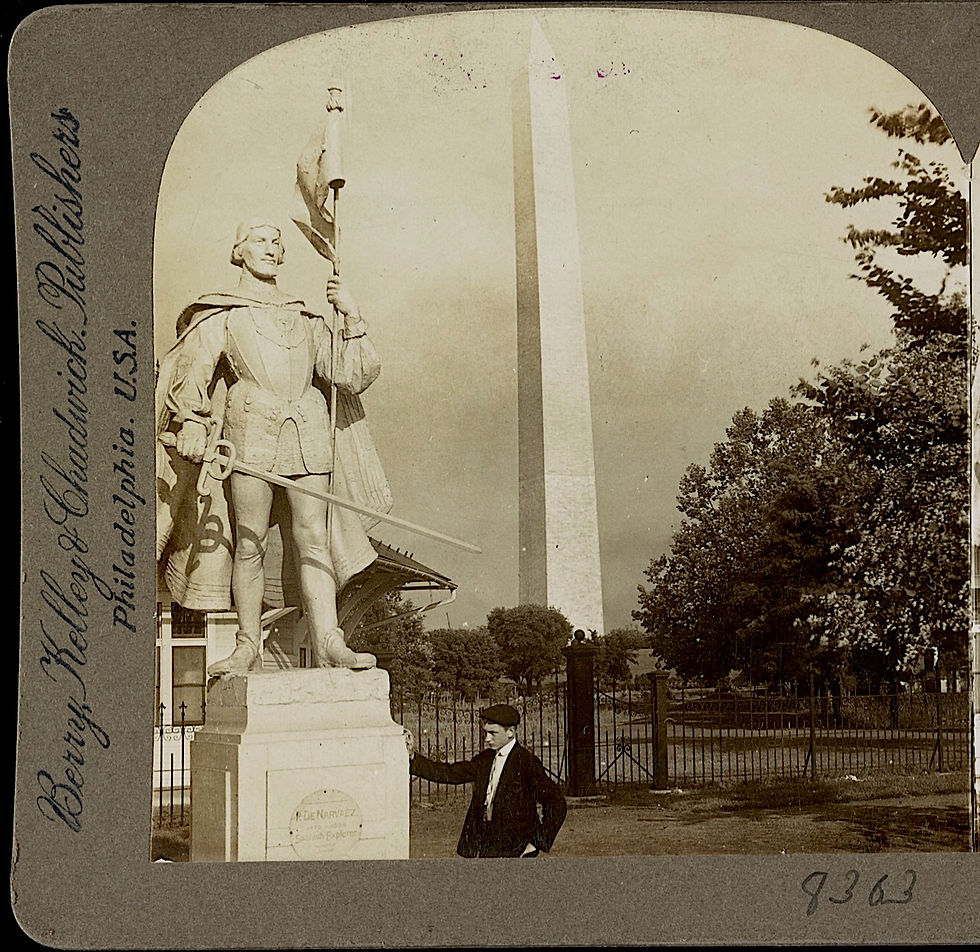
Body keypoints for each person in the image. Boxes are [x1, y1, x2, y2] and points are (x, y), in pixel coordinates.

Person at [155, 217, 391, 675]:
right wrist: (190, 422)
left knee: (314, 539)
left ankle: (329, 640)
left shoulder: (306, 317)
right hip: (250, 432)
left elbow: (350, 374)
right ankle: (248, 646)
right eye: (259, 239)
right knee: (248, 542)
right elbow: (192, 376)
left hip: (308, 431)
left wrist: (354, 317)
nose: (270, 246)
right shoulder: (222, 313)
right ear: (238, 250)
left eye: (276, 241)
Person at [406, 704, 567, 858]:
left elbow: (556, 803)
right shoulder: (485, 758)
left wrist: (537, 842)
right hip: (486, 841)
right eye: (485, 733)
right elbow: (450, 773)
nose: (487, 739)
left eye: (493, 733)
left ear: (510, 732)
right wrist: (413, 758)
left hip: (516, 846)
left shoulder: (527, 762)